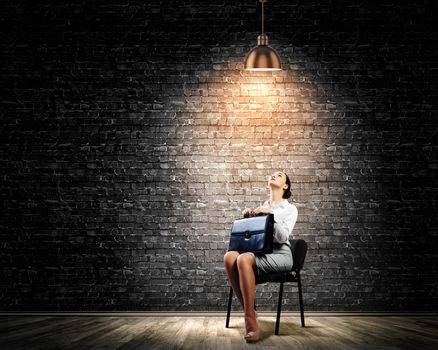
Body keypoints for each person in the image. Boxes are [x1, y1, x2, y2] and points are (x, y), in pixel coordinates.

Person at [223, 171, 298, 342]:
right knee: (229, 257)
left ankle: (250, 321)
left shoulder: (290, 209)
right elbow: (255, 239)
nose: (274, 175)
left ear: (285, 185)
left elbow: (282, 238)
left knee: (243, 259)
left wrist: (270, 215)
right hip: (262, 252)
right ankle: (249, 311)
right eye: (272, 174)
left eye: (279, 175)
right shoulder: (262, 206)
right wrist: (249, 219)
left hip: (282, 254)